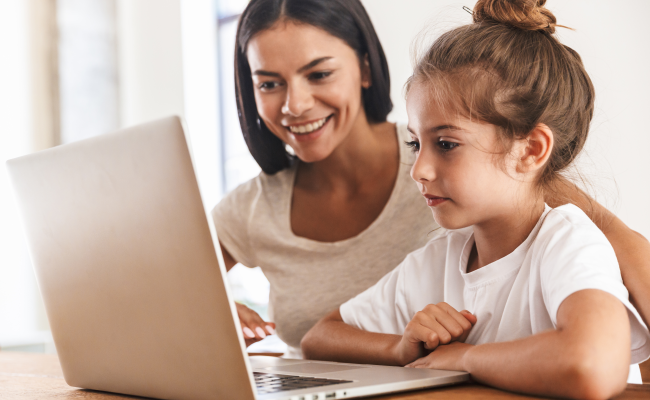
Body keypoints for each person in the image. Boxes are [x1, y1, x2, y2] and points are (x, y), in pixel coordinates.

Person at [213, 0, 650, 359]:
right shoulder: (439, 250)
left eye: (319, 73)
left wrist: (459, 358)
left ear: (365, 67)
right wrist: (204, 312)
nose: (296, 104)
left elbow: (575, 217)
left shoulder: (509, 191)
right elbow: (316, 336)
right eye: (268, 83)